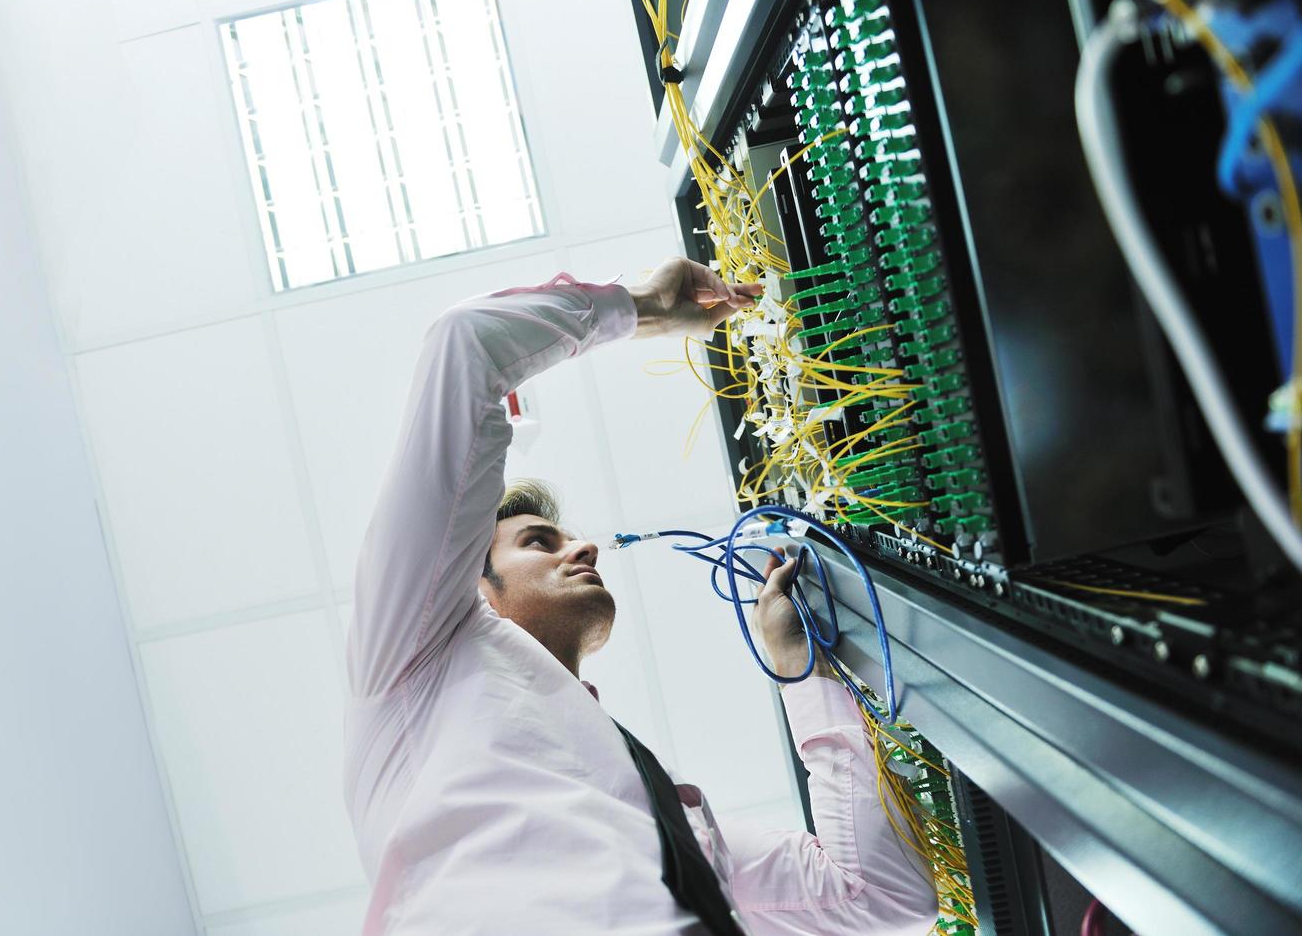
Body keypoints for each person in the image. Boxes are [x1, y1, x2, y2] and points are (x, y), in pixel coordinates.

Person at [343, 257, 938, 934]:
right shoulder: (410, 657)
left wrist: (801, 672)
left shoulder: (658, 813)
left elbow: (877, 896)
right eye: (539, 541)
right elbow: (466, 343)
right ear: (471, 584)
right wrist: (645, 308)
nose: (583, 547)